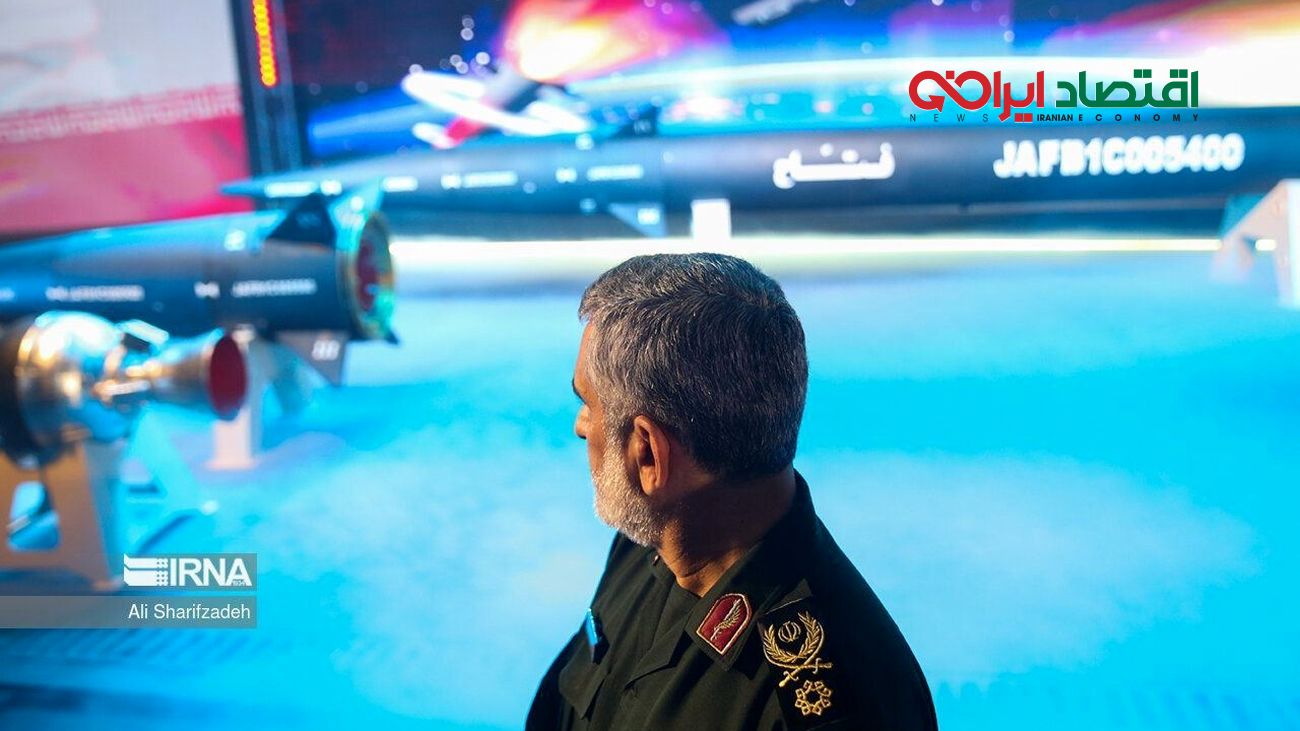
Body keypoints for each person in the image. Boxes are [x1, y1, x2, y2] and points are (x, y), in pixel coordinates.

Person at [527, 253, 936, 730]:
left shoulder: (830, 705)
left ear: (648, 455)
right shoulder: (645, 541)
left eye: (589, 404)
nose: (581, 427)